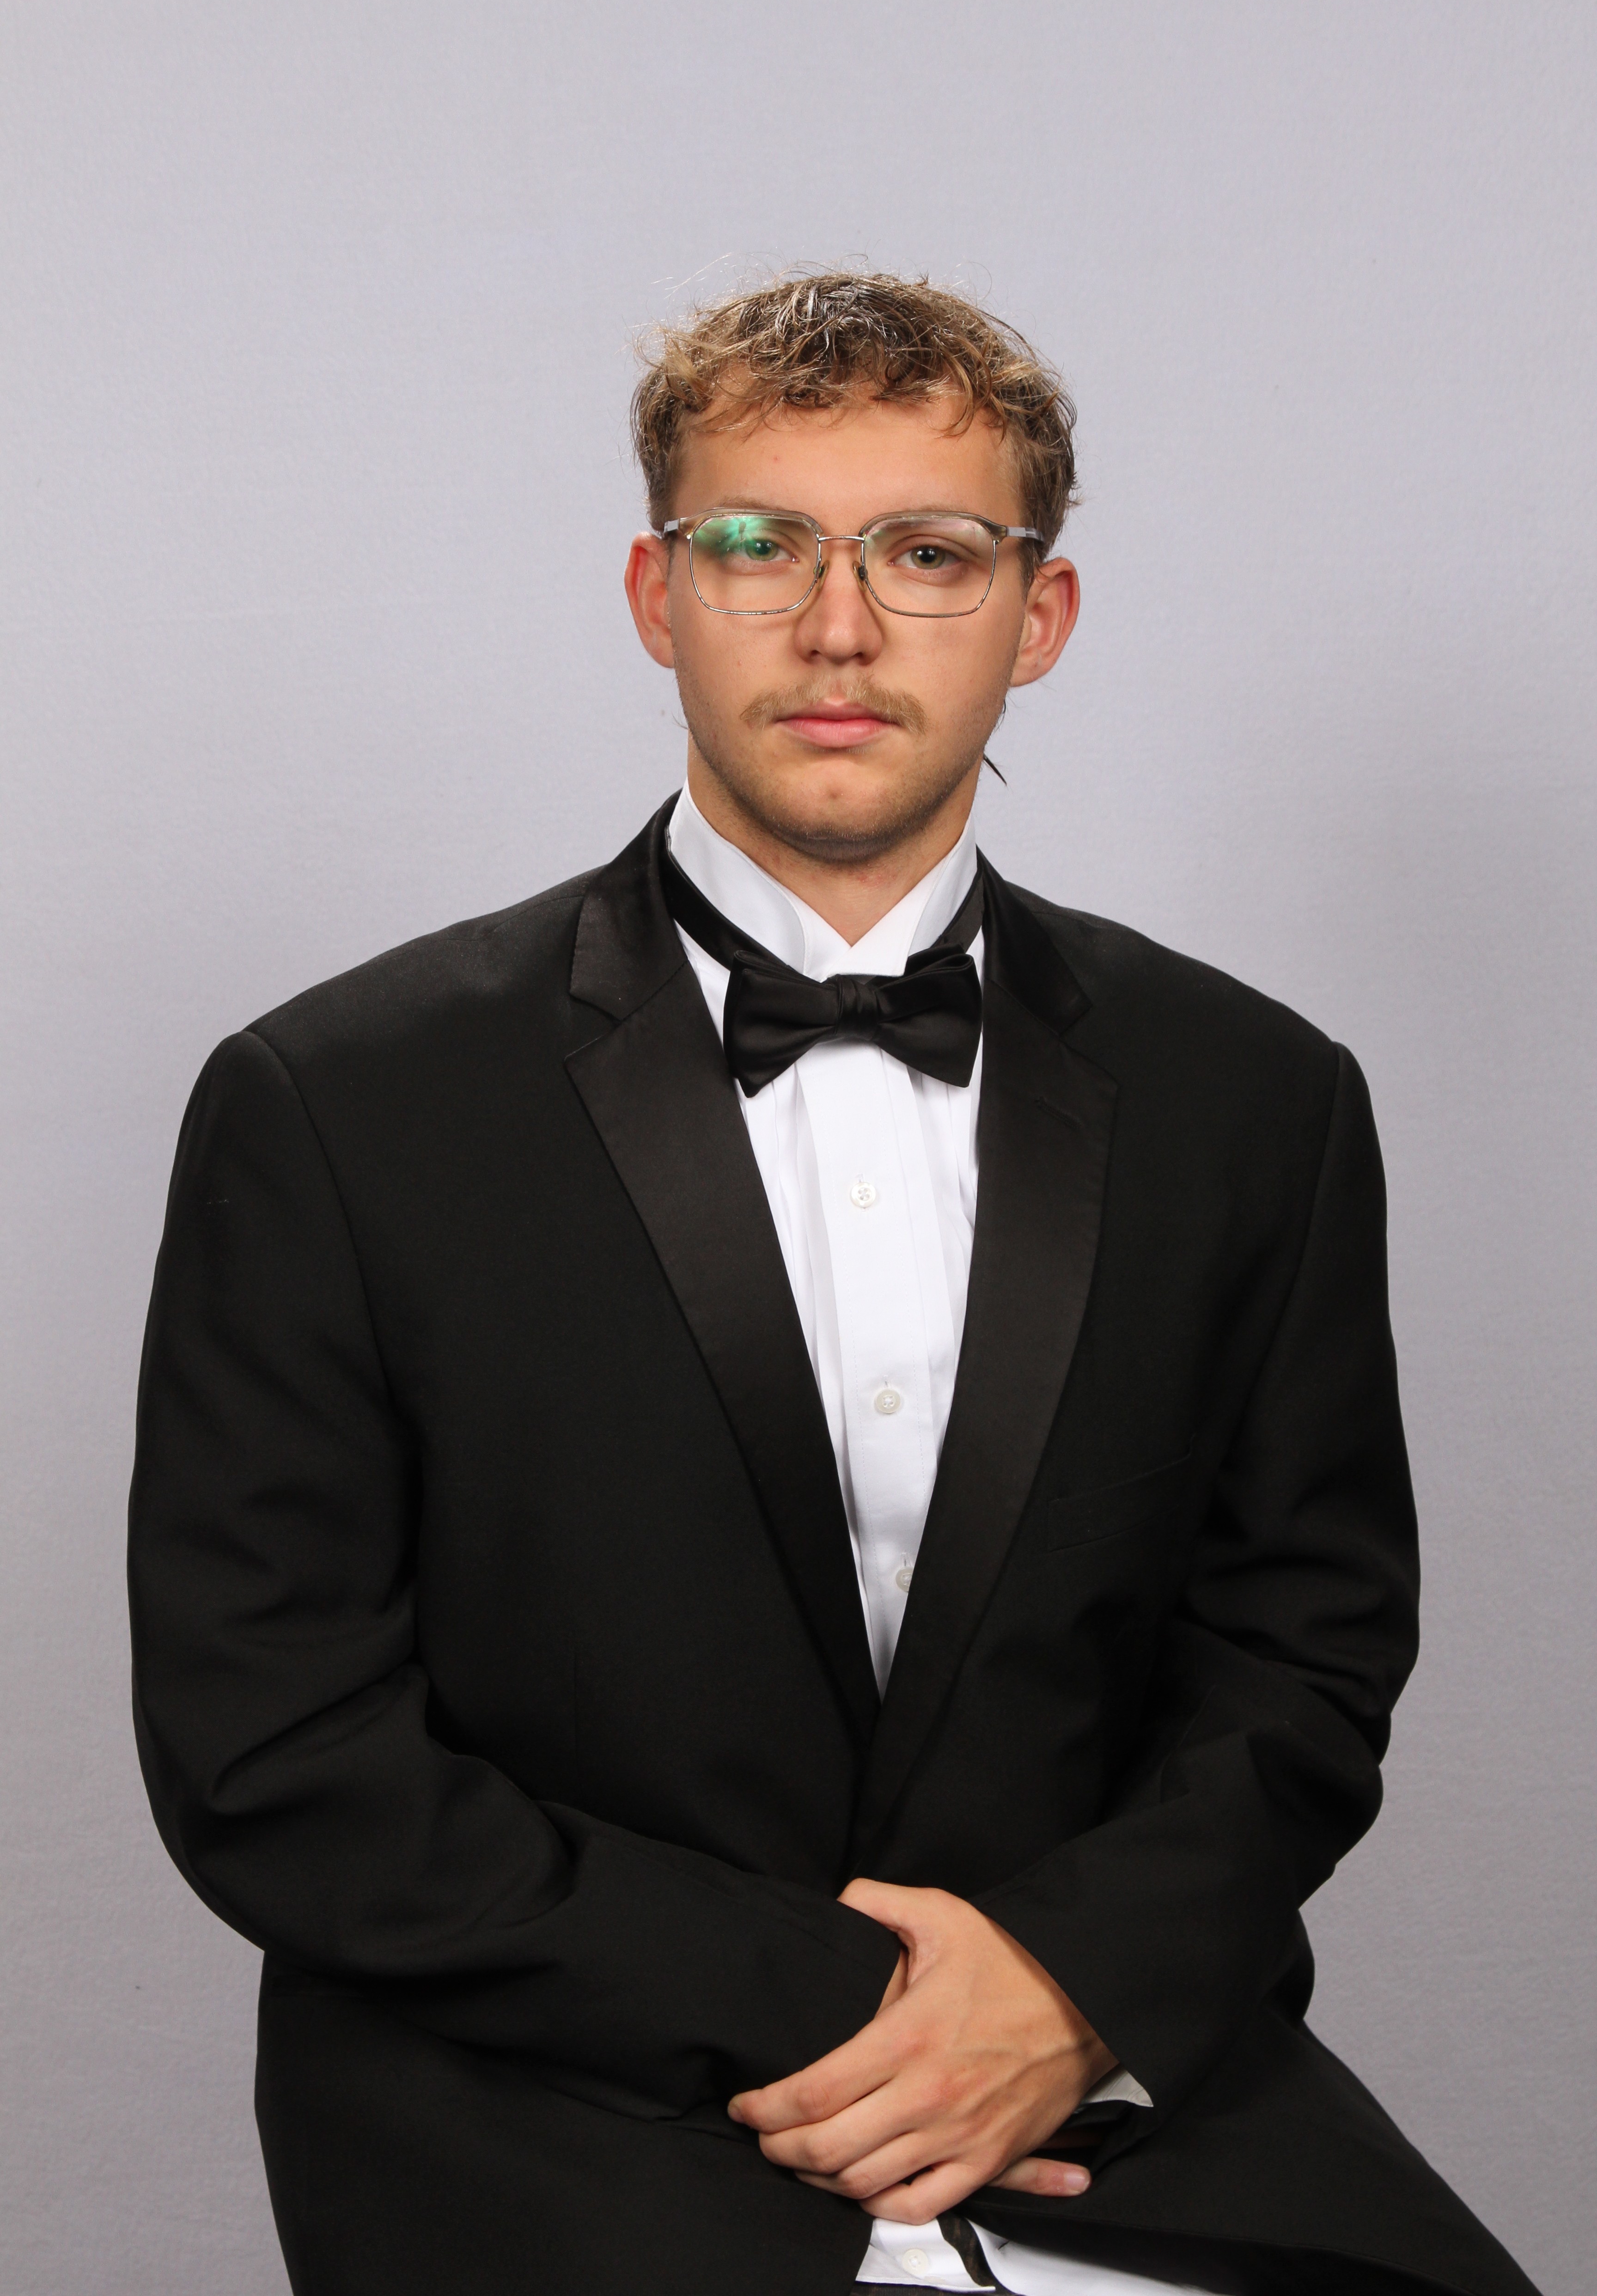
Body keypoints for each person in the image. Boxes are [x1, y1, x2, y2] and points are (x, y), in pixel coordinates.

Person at [128, 272, 1540, 2296]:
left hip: (1113, 2115)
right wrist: (877, 2007)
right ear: (658, 594)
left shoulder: (1259, 1097)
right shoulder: (337, 1102)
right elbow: (274, 1754)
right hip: (557, 2126)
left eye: (930, 554)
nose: (841, 627)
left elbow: (1305, 1658)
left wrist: (1066, 1989)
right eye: (759, 545)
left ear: (1038, 614)